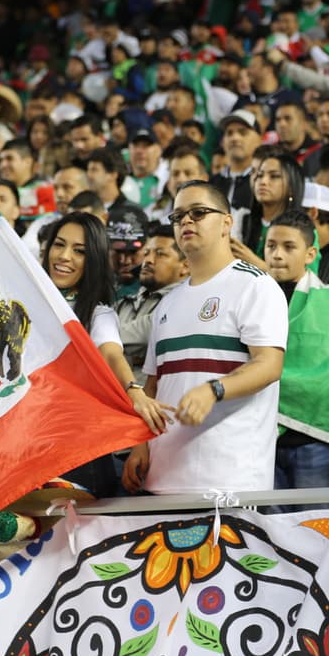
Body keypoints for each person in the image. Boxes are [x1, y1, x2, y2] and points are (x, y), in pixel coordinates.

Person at [122, 181, 287, 494]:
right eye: (178, 216)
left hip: (230, 481)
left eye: (198, 213)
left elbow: (269, 365)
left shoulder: (256, 285)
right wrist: (141, 444)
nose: (186, 221)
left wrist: (214, 390)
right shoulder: (167, 303)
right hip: (161, 480)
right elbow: (154, 384)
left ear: (227, 223)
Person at [39, 212, 170, 493]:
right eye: (59, 245)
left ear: (94, 261)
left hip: (78, 452)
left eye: (79, 251)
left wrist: (134, 391)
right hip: (29, 448)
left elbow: (110, 353)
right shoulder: (20, 306)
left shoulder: (99, 314)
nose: (64, 256)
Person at [266, 210, 329, 496]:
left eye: (289, 247)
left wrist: (267, 379)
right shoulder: (246, 302)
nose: (277, 255)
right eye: (271, 245)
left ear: (310, 254)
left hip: (314, 444)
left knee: (318, 522)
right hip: (260, 441)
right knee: (265, 524)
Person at [114, 223, 188, 384]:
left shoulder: (186, 301)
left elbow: (145, 334)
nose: (148, 260)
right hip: (112, 393)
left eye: (160, 254)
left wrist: (109, 349)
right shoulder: (124, 303)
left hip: (153, 396)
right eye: (146, 253)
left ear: (185, 266)